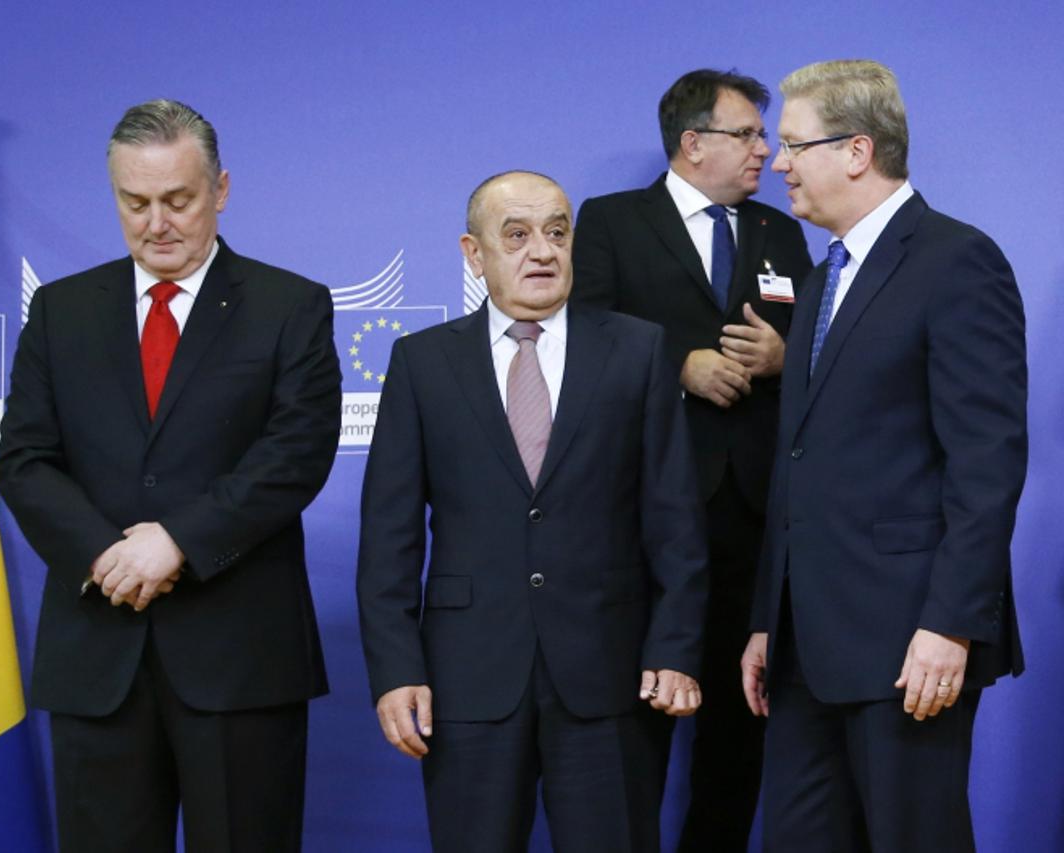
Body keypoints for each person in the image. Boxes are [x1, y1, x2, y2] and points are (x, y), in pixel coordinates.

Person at [0, 99, 341, 853]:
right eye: (135, 202)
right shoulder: (60, 311)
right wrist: (103, 553)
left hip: (241, 658)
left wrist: (179, 539)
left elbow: (296, 452)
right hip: (98, 653)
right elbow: (24, 457)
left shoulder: (291, 306)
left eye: (178, 199)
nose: (158, 222)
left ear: (220, 188)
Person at [357, 170, 708, 851]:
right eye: (516, 235)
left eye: (556, 231)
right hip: (469, 679)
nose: (542, 251)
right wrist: (397, 670)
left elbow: (676, 520)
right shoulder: (422, 363)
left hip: (611, 675)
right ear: (473, 252)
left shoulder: (636, 350)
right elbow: (389, 538)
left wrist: (675, 645)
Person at [741, 60, 1026, 853]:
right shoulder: (820, 277)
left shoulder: (956, 261)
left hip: (910, 647)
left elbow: (987, 459)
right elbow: (797, 461)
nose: (781, 164)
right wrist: (770, 619)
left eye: (795, 145)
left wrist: (951, 623)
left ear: (858, 151)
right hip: (804, 650)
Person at [572, 68, 813, 851]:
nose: (765, 152)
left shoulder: (781, 232)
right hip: (645, 510)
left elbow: (821, 341)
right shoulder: (610, 222)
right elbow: (582, 333)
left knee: (742, 717)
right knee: (637, 710)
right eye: (748, 135)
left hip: (752, 509)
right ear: (692, 142)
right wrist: (679, 363)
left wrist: (786, 355)